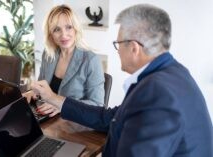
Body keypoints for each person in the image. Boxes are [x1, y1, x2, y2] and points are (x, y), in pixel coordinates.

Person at [31, 4, 213, 156]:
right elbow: (109, 118)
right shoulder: (173, 73)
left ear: (133, 48)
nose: (117, 51)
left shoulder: (156, 92)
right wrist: (54, 99)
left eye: (117, 44)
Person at [24, 5, 105, 117]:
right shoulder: (48, 54)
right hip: (48, 119)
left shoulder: (91, 60)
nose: (64, 35)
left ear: (76, 28)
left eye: (69, 27)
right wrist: (33, 92)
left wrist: (61, 105)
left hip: (74, 124)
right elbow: (42, 88)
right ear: (51, 34)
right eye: (57, 29)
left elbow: (97, 105)